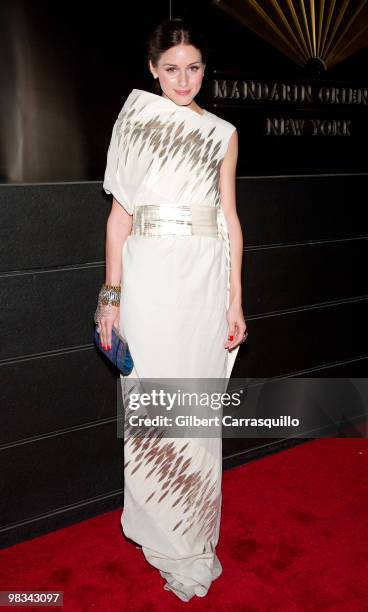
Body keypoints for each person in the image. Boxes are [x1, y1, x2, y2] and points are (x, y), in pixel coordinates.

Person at [94, 17, 247, 602]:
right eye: (172, 69)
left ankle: (195, 537)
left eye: (195, 67)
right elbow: (119, 219)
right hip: (152, 278)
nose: (185, 80)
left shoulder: (224, 133)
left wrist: (236, 297)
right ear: (154, 71)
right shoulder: (136, 121)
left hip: (204, 279)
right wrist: (112, 296)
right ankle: (163, 535)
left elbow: (231, 221)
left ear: (205, 69)